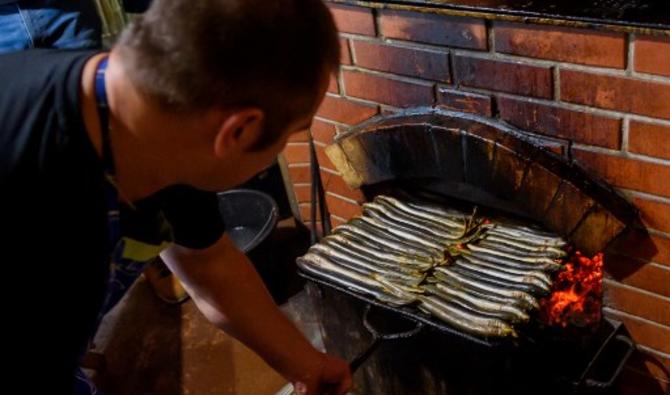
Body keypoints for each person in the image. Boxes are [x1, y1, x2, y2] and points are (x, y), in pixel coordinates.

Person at [0, 0, 351, 394]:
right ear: (238, 132)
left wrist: (307, 366)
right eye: (292, 132)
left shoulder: (165, 121)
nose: (284, 146)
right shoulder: (25, 159)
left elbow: (211, 266)